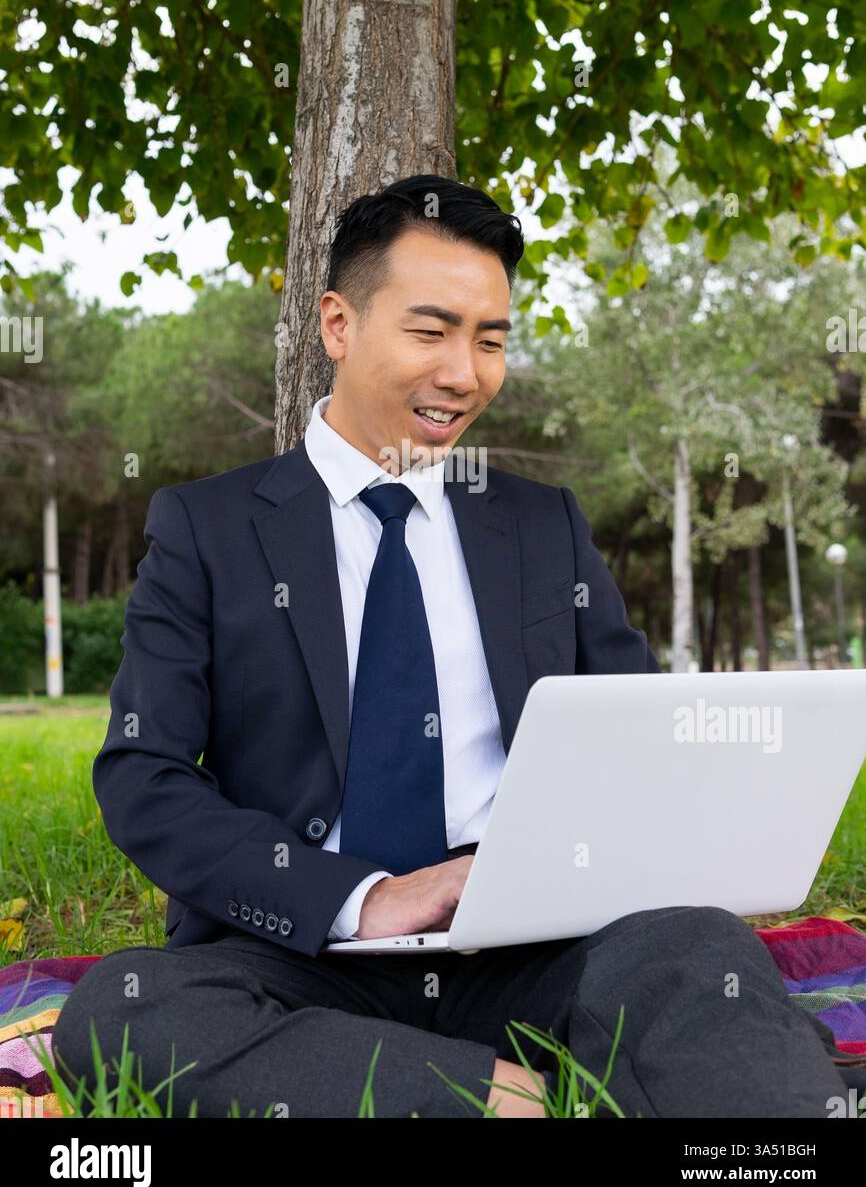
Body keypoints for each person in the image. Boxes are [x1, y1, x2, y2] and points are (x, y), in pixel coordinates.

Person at [52, 175, 850, 1118]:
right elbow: (144, 776)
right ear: (338, 324)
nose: (465, 373)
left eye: (491, 339)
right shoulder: (209, 527)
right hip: (306, 956)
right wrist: (362, 896)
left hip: (533, 949)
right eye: (431, 333)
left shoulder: (541, 525)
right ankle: (485, 1096)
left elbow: (642, 740)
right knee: (119, 1012)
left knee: (701, 958)